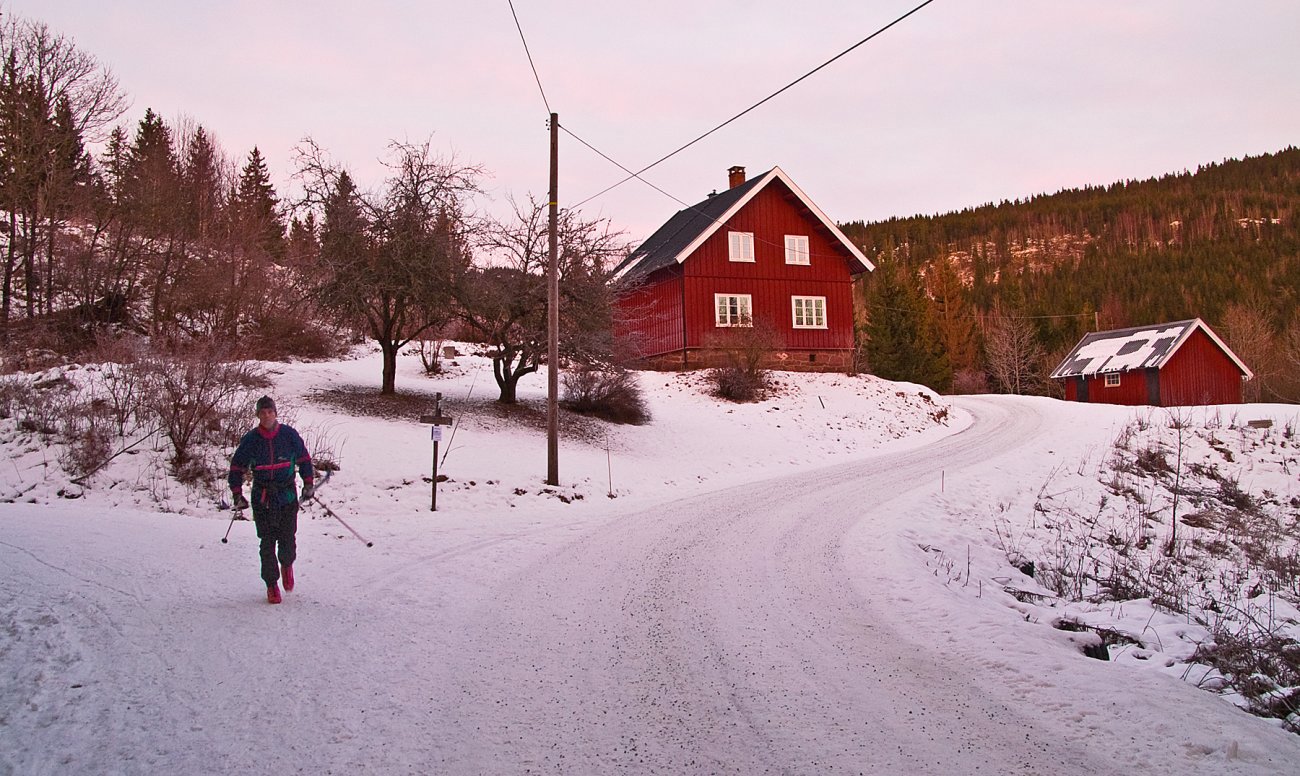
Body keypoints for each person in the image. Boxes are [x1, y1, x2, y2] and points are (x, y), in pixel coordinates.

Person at [228, 395, 315, 604]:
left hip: (286, 496)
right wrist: (237, 493)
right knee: (266, 542)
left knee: (287, 539)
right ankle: (271, 584)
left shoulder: (289, 435)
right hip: (262, 498)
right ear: (258, 415)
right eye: (262, 413)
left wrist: (308, 483)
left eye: (270, 412)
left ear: (275, 413)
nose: (267, 416)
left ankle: (286, 565)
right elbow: (237, 467)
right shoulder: (251, 440)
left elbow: (304, 459)